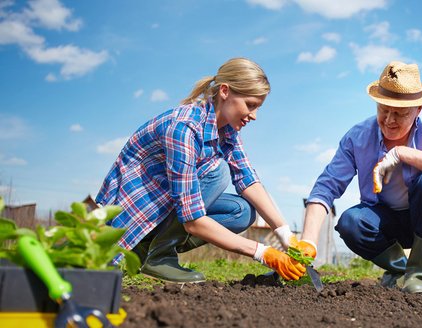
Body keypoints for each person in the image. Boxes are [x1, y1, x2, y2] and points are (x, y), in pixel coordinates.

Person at [96, 58, 307, 283]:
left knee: (242, 211)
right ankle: (156, 255)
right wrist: (262, 253)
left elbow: (247, 179)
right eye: (250, 105)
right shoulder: (184, 128)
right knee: (218, 172)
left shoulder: (226, 130)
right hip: (136, 217)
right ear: (225, 91)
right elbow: (192, 220)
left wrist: (285, 235)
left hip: (168, 207)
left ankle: (148, 250)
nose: (254, 115)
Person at [299, 61, 422, 293]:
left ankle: (419, 277)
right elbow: (326, 187)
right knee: (351, 222)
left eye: (399, 114)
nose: (389, 120)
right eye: (383, 110)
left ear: (418, 110)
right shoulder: (358, 137)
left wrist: (403, 153)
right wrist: (307, 241)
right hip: (388, 224)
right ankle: (402, 269)